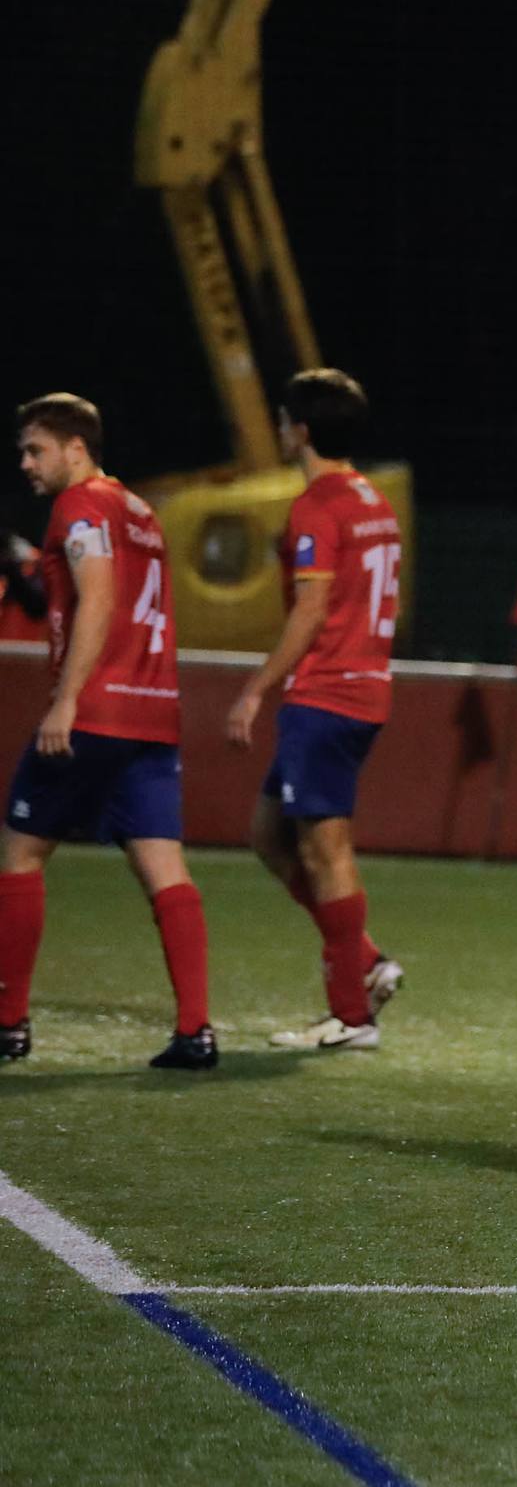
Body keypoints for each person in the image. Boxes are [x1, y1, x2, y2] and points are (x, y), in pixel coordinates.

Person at [0, 394, 215, 1068]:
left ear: (75, 446)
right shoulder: (140, 510)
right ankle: (195, 1031)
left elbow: (99, 597)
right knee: (162, 865)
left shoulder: (81, 505)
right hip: (153, 711)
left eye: (36, 450)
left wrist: (65, 702)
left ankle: (8, 1023)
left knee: (20, 853)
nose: (27, 465)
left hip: (95, 710)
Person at [224, 369, 406, 1052]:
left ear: (299, 430)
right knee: (268, 835)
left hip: (327, 693)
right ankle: (364, 962)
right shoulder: (374, 501)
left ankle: (350, 1015)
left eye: (281, 420)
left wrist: (255, 687)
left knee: (325, 851)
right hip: (361, 689)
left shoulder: (318, 505)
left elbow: (311, 606)